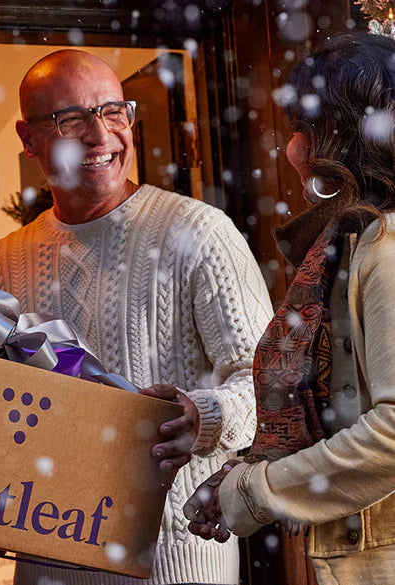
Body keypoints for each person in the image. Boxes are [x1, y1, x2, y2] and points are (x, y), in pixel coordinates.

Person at [0, 49, 273, 585]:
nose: (100, 134)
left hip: (178, 565)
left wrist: (206, 416)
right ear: (29, 137)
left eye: (113, 111)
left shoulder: (200, 233)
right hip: (48, 563)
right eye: (71, 119)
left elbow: (270, 382)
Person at [184, 33, 395, 585]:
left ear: (344, 138)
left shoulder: (387, 247)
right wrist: (250, 472)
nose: (291, 150)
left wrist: (254, 492)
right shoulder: (350, 240)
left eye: (303, 130)